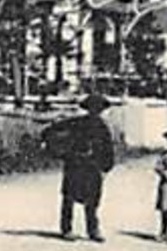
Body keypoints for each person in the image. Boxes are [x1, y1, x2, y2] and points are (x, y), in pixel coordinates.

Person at [43, 94, 116, 241]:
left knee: (92, 200)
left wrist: (106, 167)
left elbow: (108, 148)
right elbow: (50, 130)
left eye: (98, 109)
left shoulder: (102, 127)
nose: (95, 111)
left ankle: (93, 230)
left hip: (92, 167)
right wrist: (57, 150)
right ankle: (66, 229)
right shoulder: (76, 123)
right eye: (93, 108)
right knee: (69, 197)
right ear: (88, 109)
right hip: (75, 164)